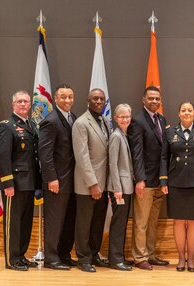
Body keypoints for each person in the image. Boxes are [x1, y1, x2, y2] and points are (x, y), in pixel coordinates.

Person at [159, 102, 194, 272]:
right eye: (183, 110)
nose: (186, 112)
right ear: (179, 114)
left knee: (193, 222)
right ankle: (181, 258)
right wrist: (163, 180)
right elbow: (163, 158)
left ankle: (191, 258)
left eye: (189, 110)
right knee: (178, 221)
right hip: (176, 183)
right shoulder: (170, 132)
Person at [0, 90, 41, 271]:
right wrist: (8, 183)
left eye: (26, 102)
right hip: (14, 184)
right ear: (13, 104)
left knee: (25, 222)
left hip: (29, 183)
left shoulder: (31, 125)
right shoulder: (7, 126)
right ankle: (11, 260)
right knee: (13, 224)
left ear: (30, 105)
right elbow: (2, 156)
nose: (23, 104)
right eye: (19, 101)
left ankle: (21, 255)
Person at [127, 86, 169, 270]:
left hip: (159, 180)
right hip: (145, 181)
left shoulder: (161, 119)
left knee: (152, 221)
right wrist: (139, 179)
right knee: (141, 222)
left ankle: (150, 254)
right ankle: (139, 256)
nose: (154, 102)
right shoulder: (137, 121)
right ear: (143, 100)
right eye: (150, 98)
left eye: (157, 99)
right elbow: (136, 153)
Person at [39, 84, 77, 270]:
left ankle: (64, 254)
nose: (67, 100)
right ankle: (51, 258)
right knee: (54, 221)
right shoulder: (51, 121)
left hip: (72, 181)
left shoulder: (73, 118)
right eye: (63, 97)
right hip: (57, 181)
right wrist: (51, 178)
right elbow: (45, 154)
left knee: (69, 220)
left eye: (70, 97)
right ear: (55, 99)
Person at [72, 88, 110, 273]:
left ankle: (94, 254)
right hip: (88, 184)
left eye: (102, 99)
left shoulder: (105, 121)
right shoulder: (81, 123)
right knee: (84, 223)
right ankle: (83, 258)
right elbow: (82, 156)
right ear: (88, 100)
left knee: (97, 223)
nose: (98, 101)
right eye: (95, 98)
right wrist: (93, 184)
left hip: (104, 183)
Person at [107, 104, 134, 271]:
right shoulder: (116, 136)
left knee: (122, 223)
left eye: (127, 116)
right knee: (118, 223)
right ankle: (115, 259)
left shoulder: (124, 135)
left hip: (127, 187)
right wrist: (117, 188)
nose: (125, 119)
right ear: (116, 118)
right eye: (121, 117)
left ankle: (120, 256)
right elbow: (113, 164)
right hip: (120, 189)